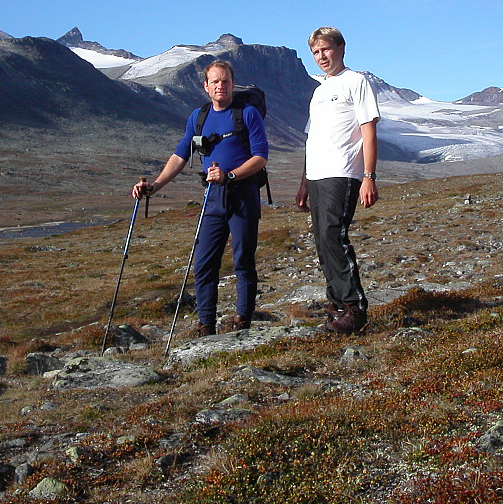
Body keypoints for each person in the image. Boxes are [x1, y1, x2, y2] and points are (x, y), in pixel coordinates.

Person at [133, 60, 268, 337]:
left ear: (232, 84)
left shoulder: (248, 114)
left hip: (242, 195)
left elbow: (260, 157)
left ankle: (242, 320)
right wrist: (154, 186)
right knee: (204, 263)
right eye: (215, 82)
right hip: (212, 199)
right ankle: (205, 325)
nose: (221, 86)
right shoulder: (198, 117)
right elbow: (180, 154)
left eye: (226, 81)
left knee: (243, 259)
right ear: (206, 87)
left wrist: (229, 176)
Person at [295, 27, 380, 334]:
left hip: (342, 172)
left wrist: (369, 176)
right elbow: (312, 139)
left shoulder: (356, 82)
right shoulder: (318, 92)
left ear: (341, 48)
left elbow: (368, 129)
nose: (322, 57)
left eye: (326, 49)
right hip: (317, 174)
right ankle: (337, 305)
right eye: (316, 52)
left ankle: (355, 308)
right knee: (322, 240)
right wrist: (304, 183)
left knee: (334, 235)